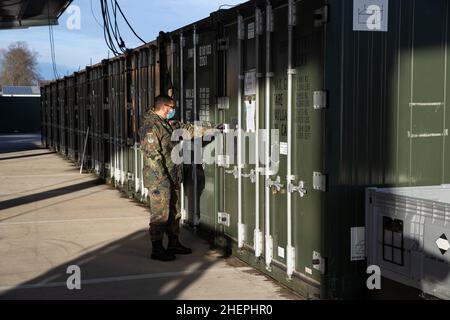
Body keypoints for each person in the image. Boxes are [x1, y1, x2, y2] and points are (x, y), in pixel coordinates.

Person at [139, 94, 223, 261]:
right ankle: (157, 249)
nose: (173, 110)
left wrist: (213, 129)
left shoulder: (170, 123)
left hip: (173, 176)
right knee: (160, 215)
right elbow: (152, 156)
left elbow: (189, 129)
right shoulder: (151, 126)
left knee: (174, 212)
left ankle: (173, 243)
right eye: (172, 107)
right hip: (159, 180)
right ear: (164, 107)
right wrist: (163, 180)